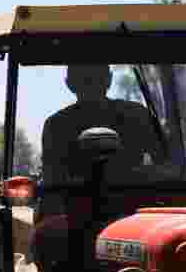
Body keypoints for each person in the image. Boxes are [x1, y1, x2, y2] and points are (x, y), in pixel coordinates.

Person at [40, 65, 167, 203]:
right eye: (86, 80)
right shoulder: (136, 115)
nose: (91, 85)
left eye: (96, 79)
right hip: (78, 212)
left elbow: (167, 169)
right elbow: (52, 184)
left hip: (133, 208)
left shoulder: (57, 125)